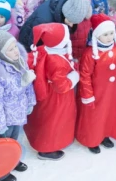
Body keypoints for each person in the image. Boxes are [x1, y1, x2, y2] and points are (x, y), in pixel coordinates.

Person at [0, 24, 35, 181]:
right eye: (10, 49)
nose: (16, 51)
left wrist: (30, 102)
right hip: (4, 117)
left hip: (18, 112)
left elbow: (28, 85)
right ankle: (0, 171)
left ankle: (12, 160)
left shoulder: (20, 63)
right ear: (1, 53)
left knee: (13, 140)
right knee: (0, 145)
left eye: (15, 46)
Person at [24, 23, 78, 160]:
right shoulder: (56, 61)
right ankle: (46, 149)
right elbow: (61, 86)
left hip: (48, 94)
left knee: (45, 118)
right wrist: (74, 77)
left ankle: (42, 141)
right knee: (54, 121)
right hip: (57, 97)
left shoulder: (45, 50)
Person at [75, 14, 116, 153]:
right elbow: (85, 75)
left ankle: (104, 134)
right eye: (105, 34)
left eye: (111, 33)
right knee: (95, 115)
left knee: (108, 112)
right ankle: (92, 139)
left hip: (113, 91)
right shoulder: (90, 54)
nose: (109, 37)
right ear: (97, 36)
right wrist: (87, 94)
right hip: (97, 92)